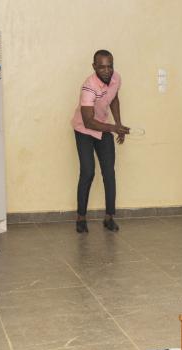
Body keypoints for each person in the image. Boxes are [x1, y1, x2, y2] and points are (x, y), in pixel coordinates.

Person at [71, 50, 130, 233]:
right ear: (94, 67)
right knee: (88, 172)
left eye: (109, 66)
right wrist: (113, 128)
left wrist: (118, 124)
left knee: (109, 172)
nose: (106, 71)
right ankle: (81, 218)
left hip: (103, 127)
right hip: (84, 130)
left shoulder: (116, 78)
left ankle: (109, 217)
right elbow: (88, 121)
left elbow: (114, 99)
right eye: (102, 67)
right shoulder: (88, 87)